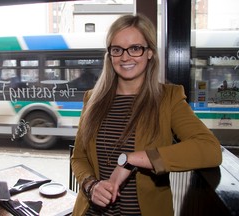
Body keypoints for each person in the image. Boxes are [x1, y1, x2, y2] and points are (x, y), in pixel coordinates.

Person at [71, 13, 222, 216]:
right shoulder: (92, 99)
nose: (125, 57)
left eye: (135, 48)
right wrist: (91, 185)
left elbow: (210, 149)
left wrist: (132, 159)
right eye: (117, 49)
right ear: (110, 55)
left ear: (149, 52)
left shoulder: (168, 98)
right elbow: (79, 157)